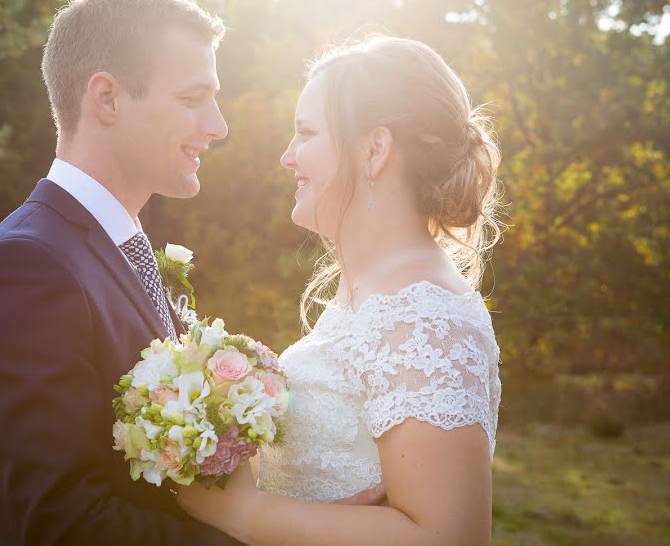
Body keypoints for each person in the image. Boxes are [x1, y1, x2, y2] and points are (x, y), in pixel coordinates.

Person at [176, 35, 504, 545]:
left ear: (375, 149)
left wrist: (243, 511)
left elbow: (447, 537)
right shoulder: (374, 297)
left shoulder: (422, 317)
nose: (288, 157)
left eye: (305, 133)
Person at [0, 0, 238, 545]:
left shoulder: (120, 247)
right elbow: (62, 522)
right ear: (106, 99)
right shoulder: (28, 266)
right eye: (191, 98)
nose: (218, 125)